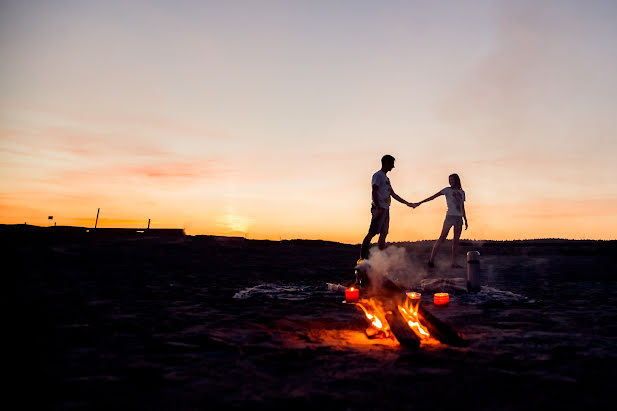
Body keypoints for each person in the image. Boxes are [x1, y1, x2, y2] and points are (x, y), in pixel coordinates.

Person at [359, 155, 415, 260]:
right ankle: (362, 257)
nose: (393, 166)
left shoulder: (387, 179)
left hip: (386, 209)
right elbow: (374, 191)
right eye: (392, 163)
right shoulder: (378, 175)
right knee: (372, 233)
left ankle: (380, 260)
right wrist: (378, 207)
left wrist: (407, 203)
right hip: (379, 208)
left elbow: (393, 194)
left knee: (384, 234)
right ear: (386, 163)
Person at [416, 173, 468, 268]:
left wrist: (465, 219)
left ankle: (454, 263)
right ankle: (431, 260)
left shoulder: (462, 192)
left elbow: (462, 207)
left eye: (452, 180)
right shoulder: (447, 190)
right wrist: (420, 202)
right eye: (449, 180)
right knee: (442, 238)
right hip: (450, 217)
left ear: (457, 180)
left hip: (459, 218)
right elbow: (433, 196)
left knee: (456, 241)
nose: (450, 182)